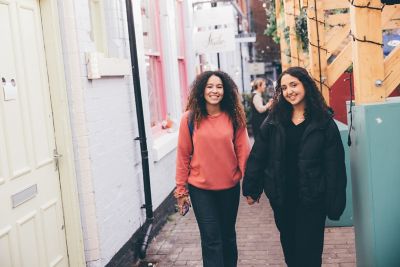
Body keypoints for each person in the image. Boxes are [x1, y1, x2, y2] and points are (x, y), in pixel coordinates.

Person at [242, 67, 347, 267]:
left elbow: (334, 166)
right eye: (284, 88)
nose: (289, 91)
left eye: (293, 85)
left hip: (312, 200)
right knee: (291, 253)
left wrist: (334, 202)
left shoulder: (323, 122)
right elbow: (258, 156)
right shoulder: (273, 121)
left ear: (305, 85)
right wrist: (251, 188)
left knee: (310, 255)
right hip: (283, 199)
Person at [175, 70, 250, 267]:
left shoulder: (235, 118)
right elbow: (183, 156)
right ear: (202, 90)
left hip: (229, 188)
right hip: (201, 190)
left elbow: (244, 153)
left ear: (225, 91)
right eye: (209, 86)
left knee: (227, 237)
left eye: (219, 86)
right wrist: (181, 189)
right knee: (211, 240)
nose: (214, 91)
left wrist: (250, 186)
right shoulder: (189, 119)